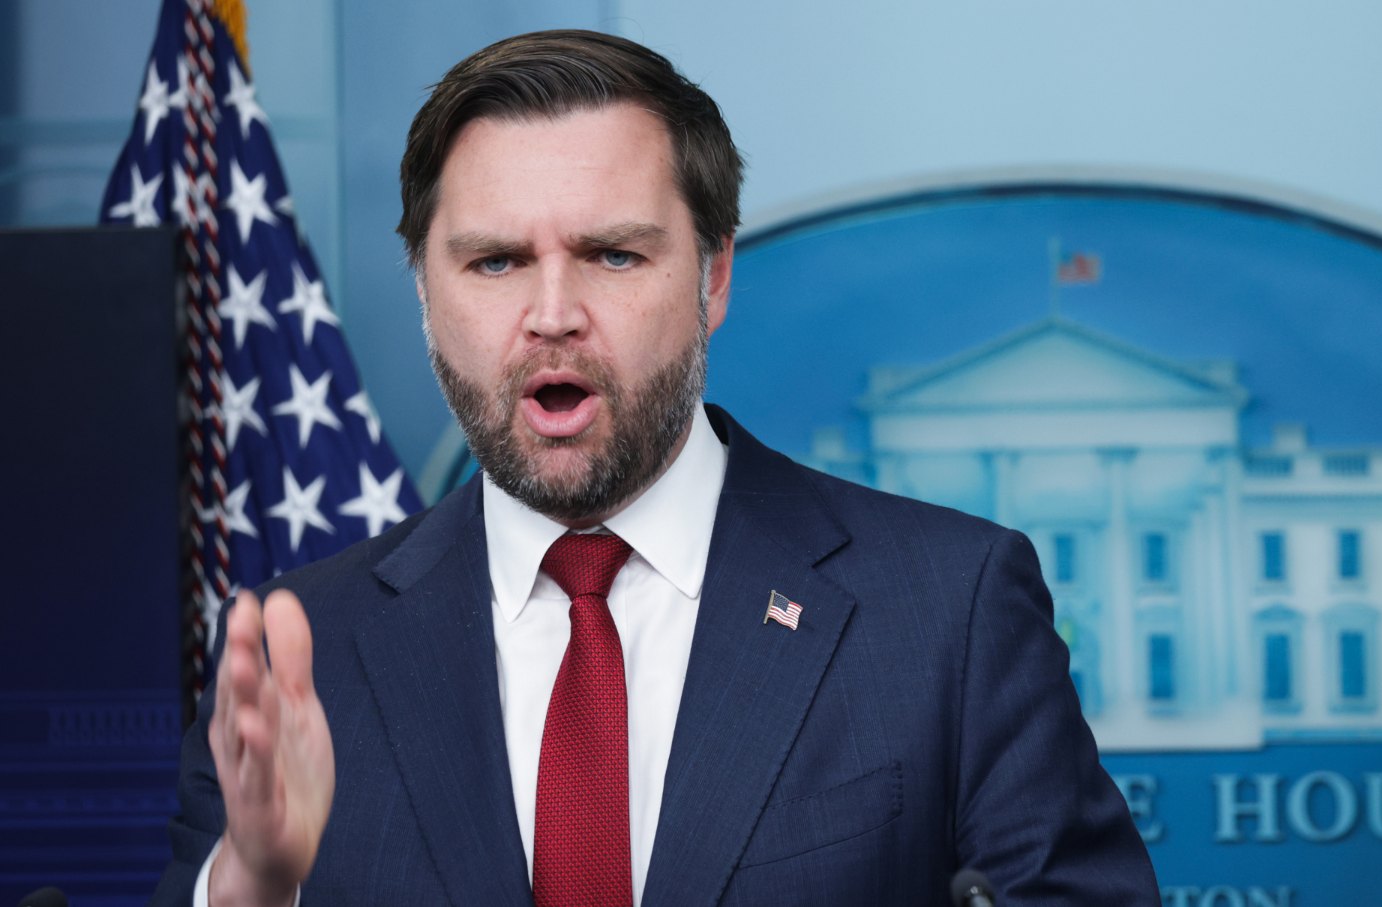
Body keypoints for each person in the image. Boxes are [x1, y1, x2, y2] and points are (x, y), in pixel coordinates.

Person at [152, 29, 1160, 906]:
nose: (551, 311)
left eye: (613, 255)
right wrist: (251, 889)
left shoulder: (950, 611)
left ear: (712, 279)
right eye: (495, 261)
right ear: (426, 293)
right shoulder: (297, 656)